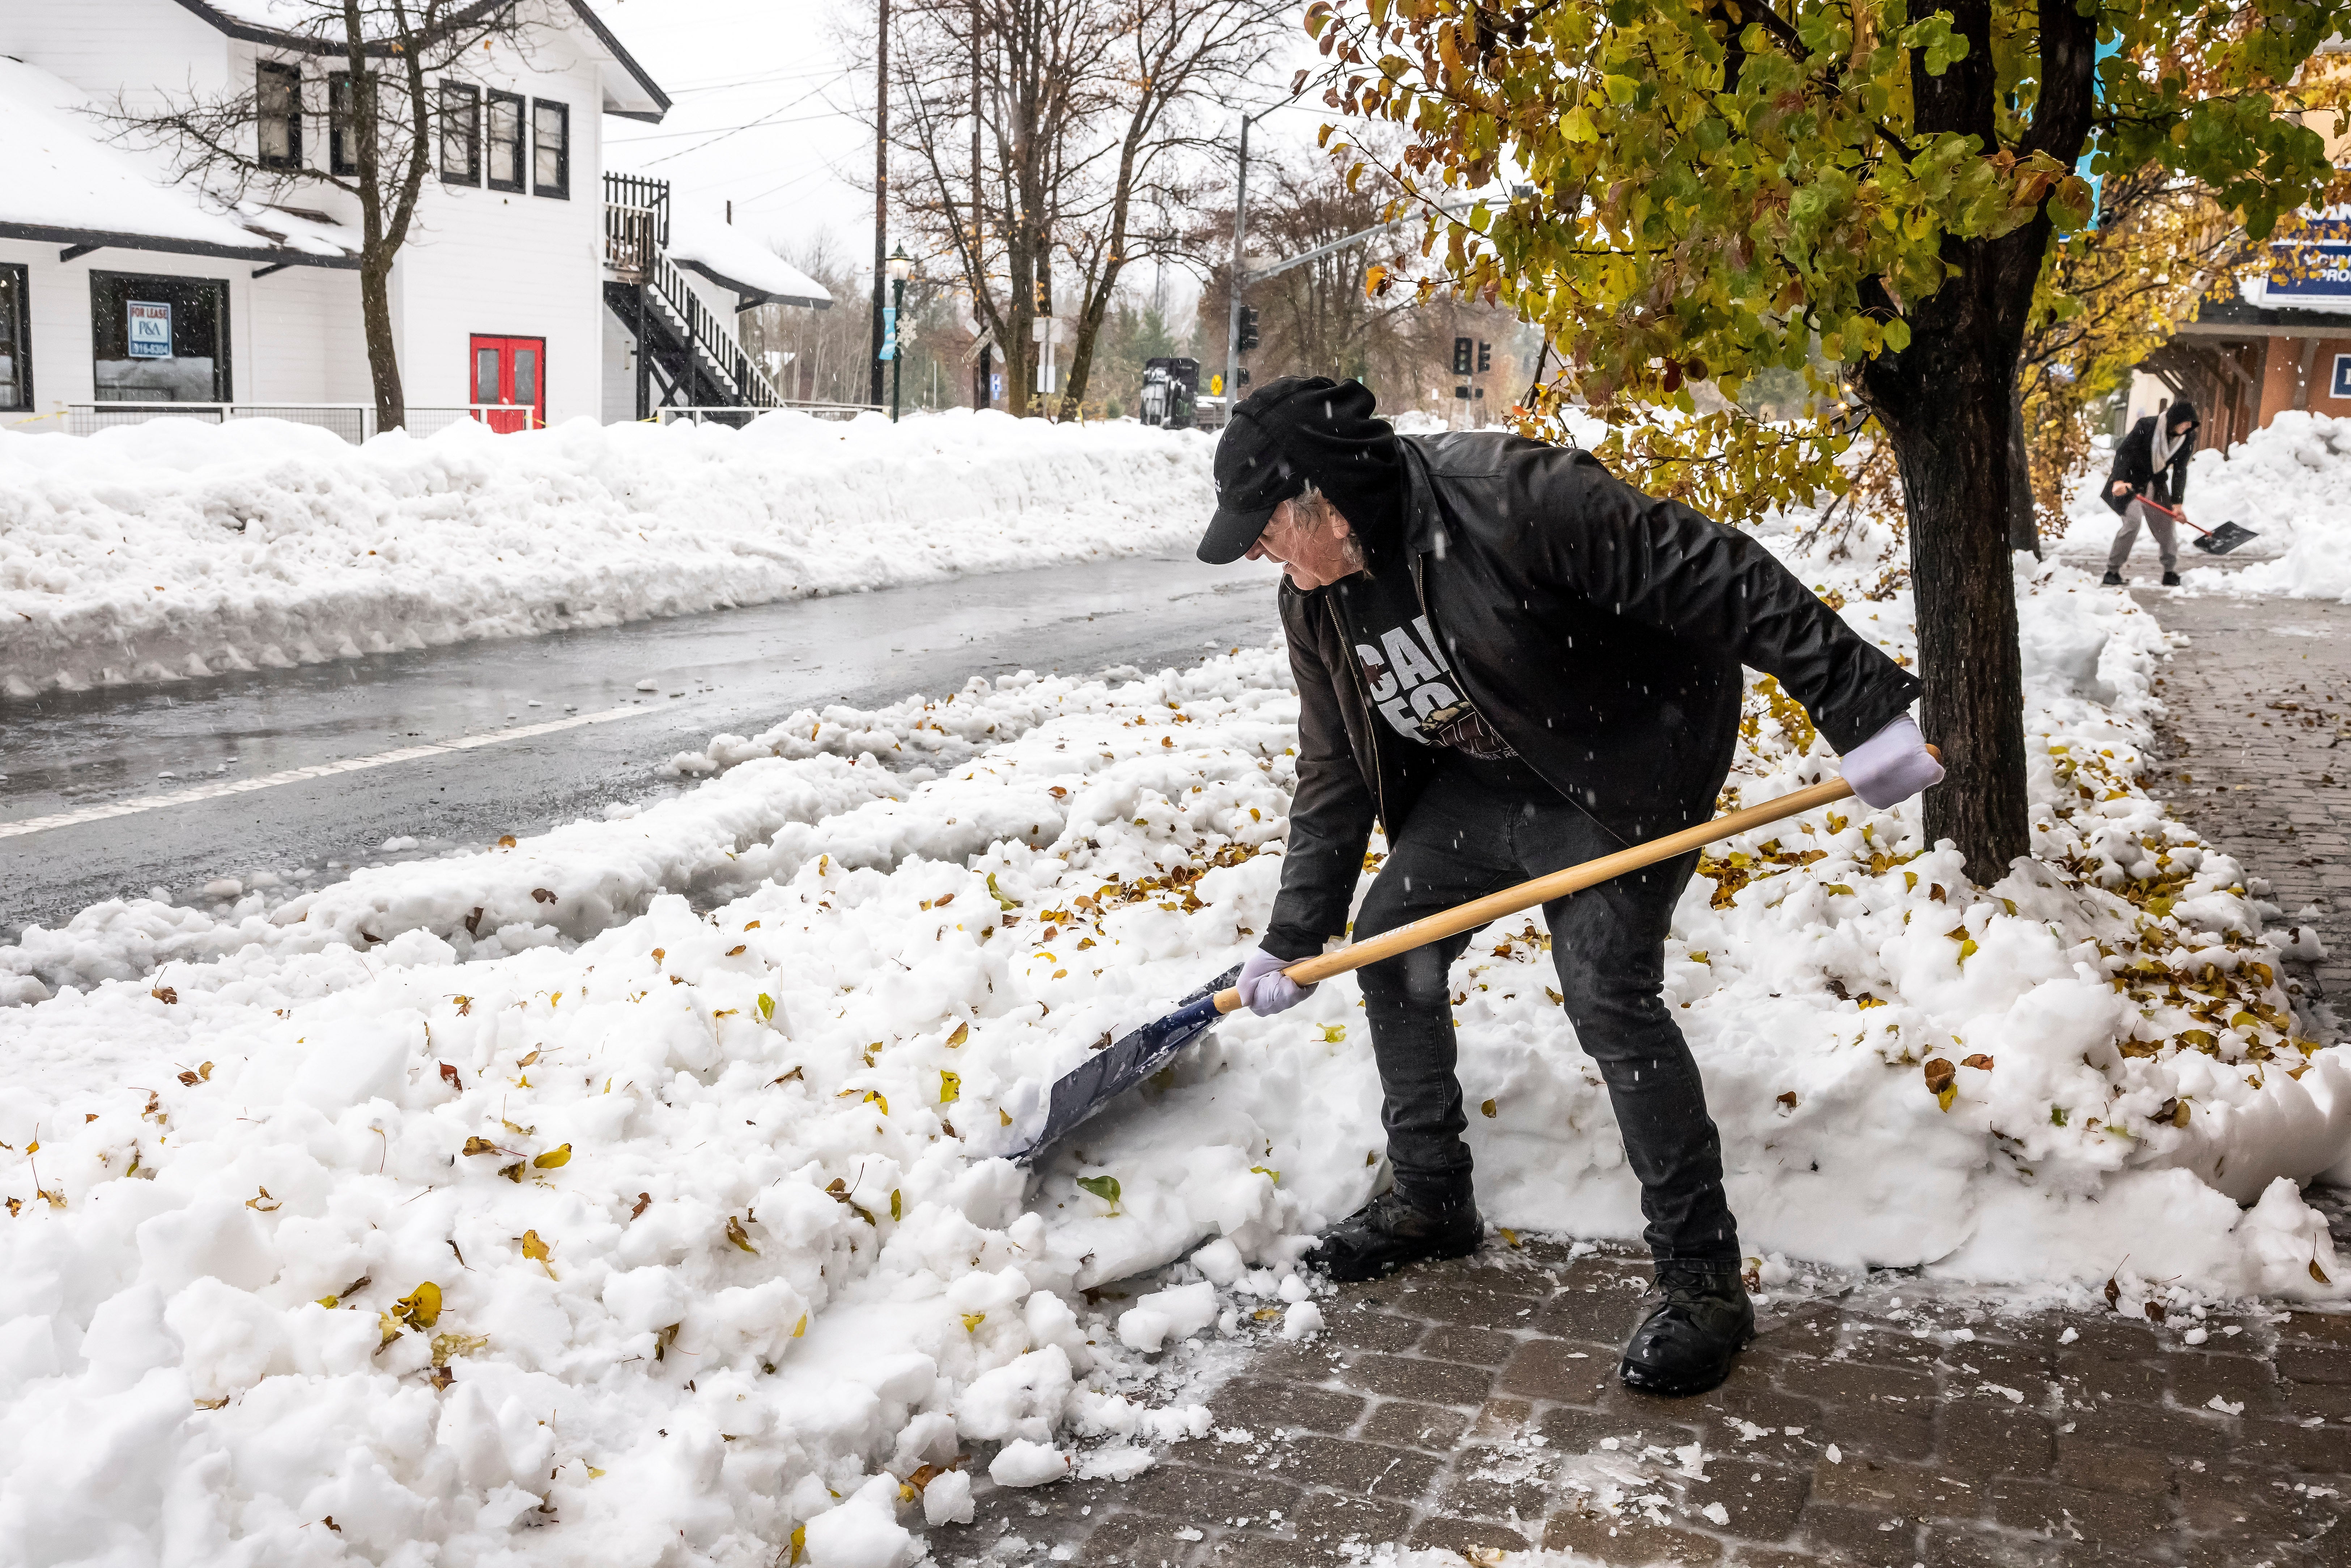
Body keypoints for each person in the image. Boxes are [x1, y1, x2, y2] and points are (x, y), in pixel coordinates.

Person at [1197, 377, 1943, 1397]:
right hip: (1484, 777)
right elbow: (1332, 769)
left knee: (1605, 989)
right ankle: (1428, 1192)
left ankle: (1702, 1282)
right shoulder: (1316, 602)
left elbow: (1718, 572)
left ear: (1323, 496)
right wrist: (1294, 932)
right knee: (1394, 947)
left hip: (1624, 758)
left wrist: (1860, 707)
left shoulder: (1511, 495)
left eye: (1264, 528)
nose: (1256, 552)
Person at [2102, 400, 2199, 587]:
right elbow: (2124, 453)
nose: (2189, 427)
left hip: (2156, 484)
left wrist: (2178, 504)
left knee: (2167, 528)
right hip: (2130, 483)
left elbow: (2180, 470)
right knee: (2133, 523)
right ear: (2174, 420)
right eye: (2186, 422)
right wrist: (2119, 481)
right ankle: (2112, 572)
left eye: (2191, 425)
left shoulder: (2187, 438)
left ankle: (2170, 572)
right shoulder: (2147, 426)